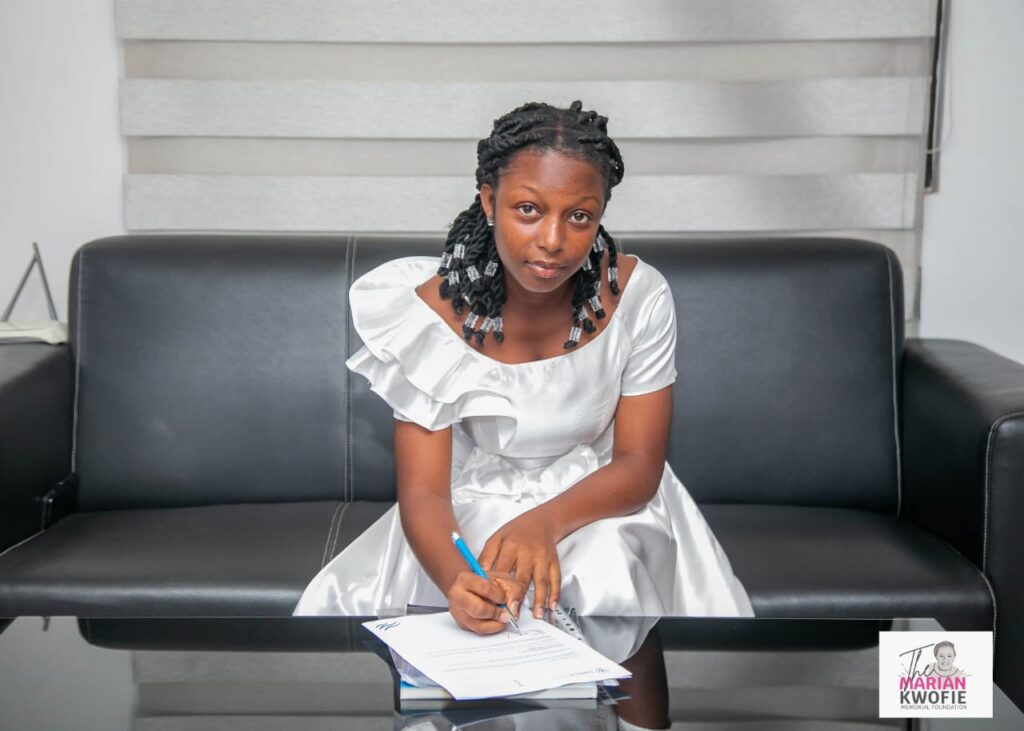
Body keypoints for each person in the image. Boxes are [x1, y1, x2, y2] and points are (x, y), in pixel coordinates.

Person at [293, 100, 755, 634]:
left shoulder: (637, 296)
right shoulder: (430, 316)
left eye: (579, 216)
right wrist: (457, 582)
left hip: (601, 499)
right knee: (484, 587)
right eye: (529, 210)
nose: (553, 241)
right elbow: (424, 493)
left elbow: (638, 464)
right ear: (490, 200)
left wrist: (542, 525)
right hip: (470, 506)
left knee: (603, 564)